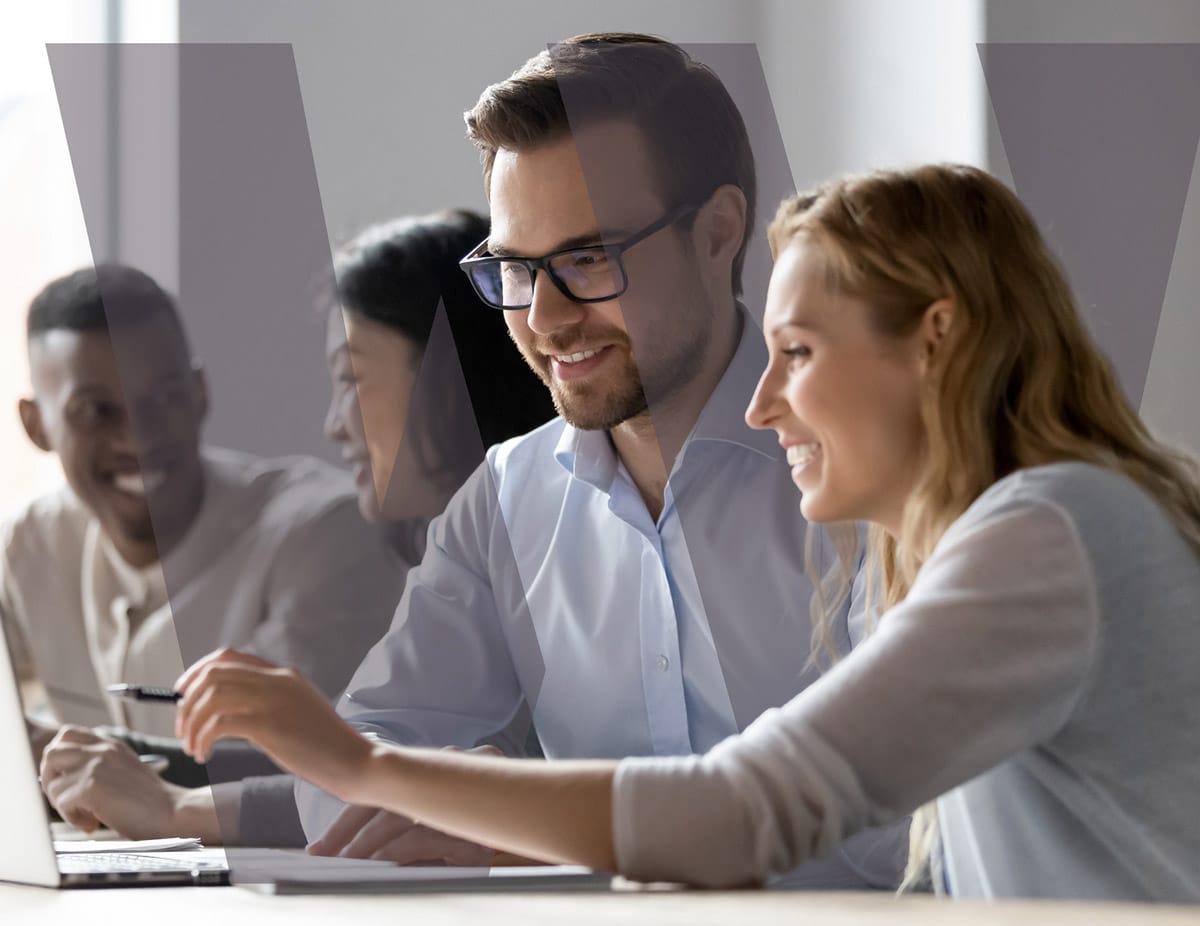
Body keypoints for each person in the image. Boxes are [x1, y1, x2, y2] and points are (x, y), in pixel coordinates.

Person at [171, 163, 1200, 902]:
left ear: (938, 340)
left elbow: (747, 807)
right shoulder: (1003, 534)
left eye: (796, 351)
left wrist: (360, 761)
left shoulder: (1051, 528)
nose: (760, 405)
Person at [167, 34, 903, 887]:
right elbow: (352, 766)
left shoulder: (870, 473)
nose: (544, 318)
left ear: (719, 231)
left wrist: (520, 820)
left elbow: (900, 827)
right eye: (516, 269)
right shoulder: (507, 498)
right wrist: (471, 802)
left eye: (590, 259)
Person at [38, 210, 555, 848]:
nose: (335, 424)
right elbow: (363, 767)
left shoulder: (550, 552)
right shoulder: (459, 555)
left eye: (351, 381)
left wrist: (173, 810)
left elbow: (382, 780)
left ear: (449, 381)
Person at [1, 264, 402, 752]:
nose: (137, 437)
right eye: (95, 411)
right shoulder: (30, 544)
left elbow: (301, 767)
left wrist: (61, 755)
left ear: (199, 394)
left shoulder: (325, 533)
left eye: (163, 398)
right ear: (35, 426)